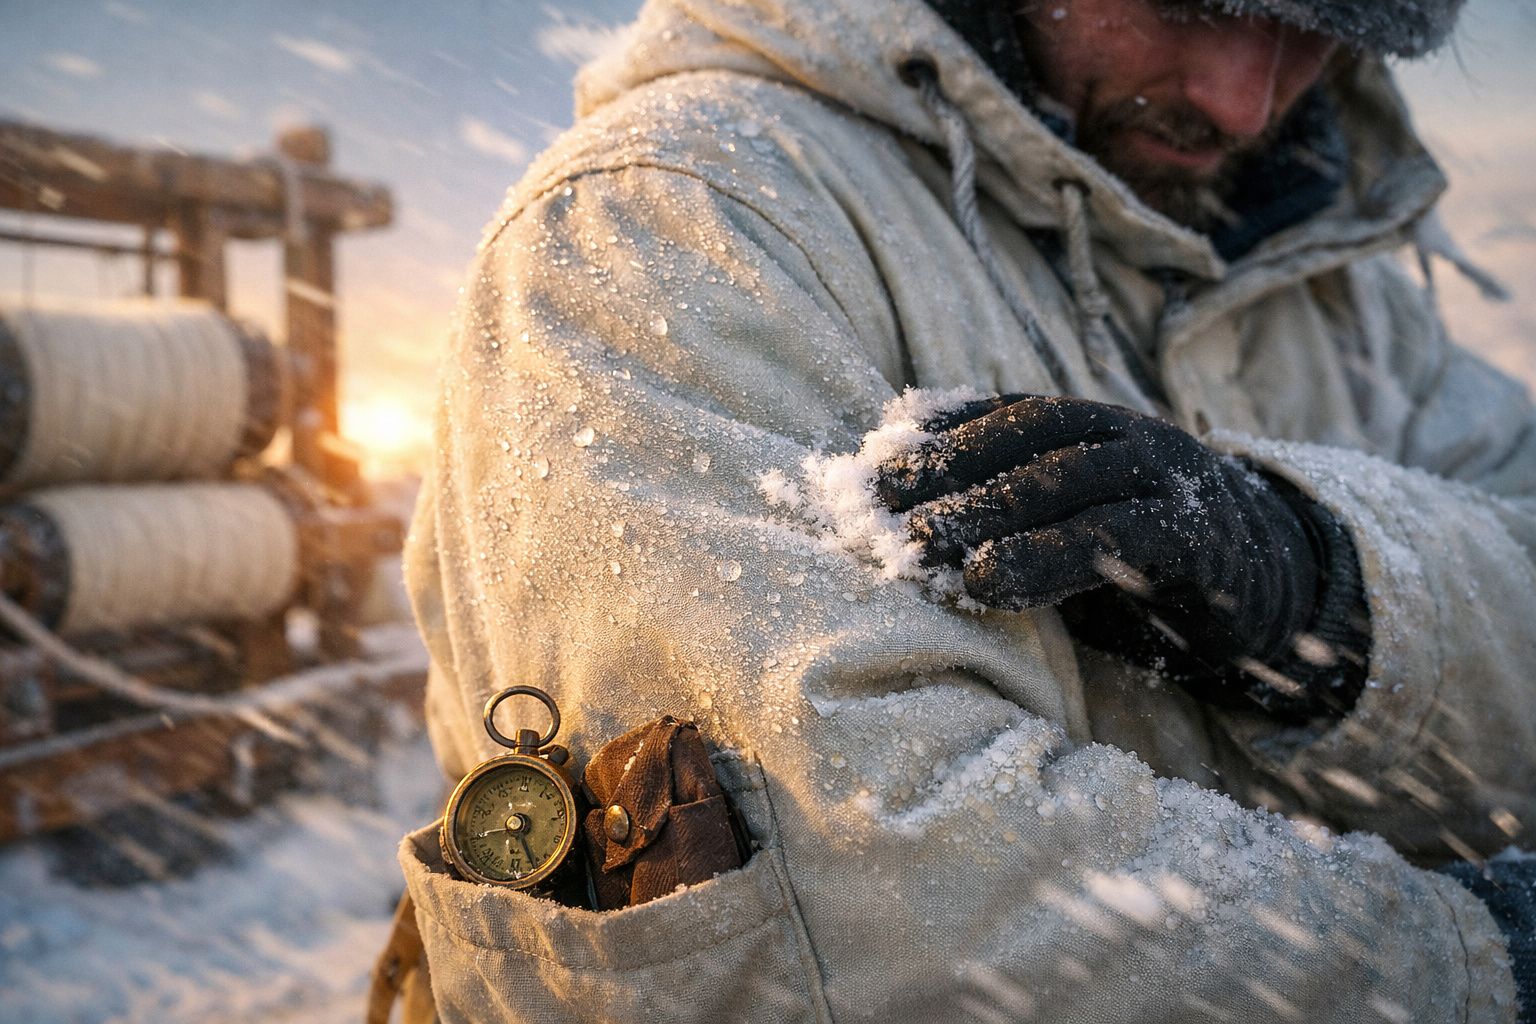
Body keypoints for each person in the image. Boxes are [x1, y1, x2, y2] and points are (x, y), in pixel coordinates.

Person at [400, 0, 1535, 1019]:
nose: (1241, 100)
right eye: (1194, 3)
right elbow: (876, 904)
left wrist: (1328, 591)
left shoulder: (1343, 286)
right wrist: (1476, 960)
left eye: (1323, 30)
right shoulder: (669, 223)